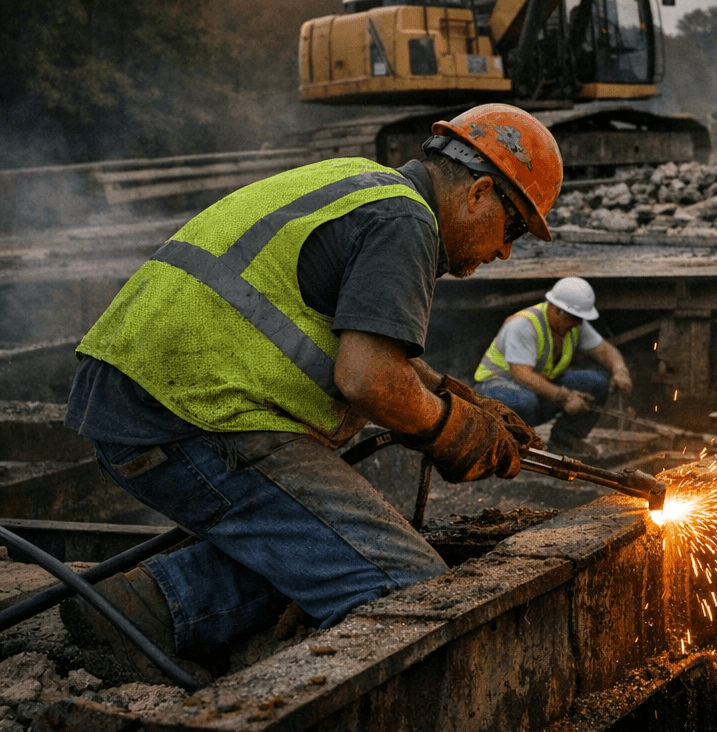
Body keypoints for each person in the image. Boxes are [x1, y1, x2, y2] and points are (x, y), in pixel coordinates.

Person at [59, 103, 563, 677]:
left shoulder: (359, 183)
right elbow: (367, 378)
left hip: (141, 399)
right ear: (477, 193)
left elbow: (355, 339)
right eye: (514, 227)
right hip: (190, 418)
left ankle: (150, 607)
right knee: (412, 593)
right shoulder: (407, 223)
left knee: (330, 543)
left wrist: (454, 395)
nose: (504, 251)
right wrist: (452, 429)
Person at [472, 277, 634, 455]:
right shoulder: (523, 325)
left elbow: (604, 350)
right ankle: (505, 444)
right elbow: (521, 375)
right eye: (575, 318)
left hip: (534, 388)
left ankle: (565, 441)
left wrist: (620, 371)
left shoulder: (574, 324)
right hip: (495, 388)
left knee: (598, 383)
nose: (579, 323)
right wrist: (564, 397)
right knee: (524, 403)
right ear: (557, 311)